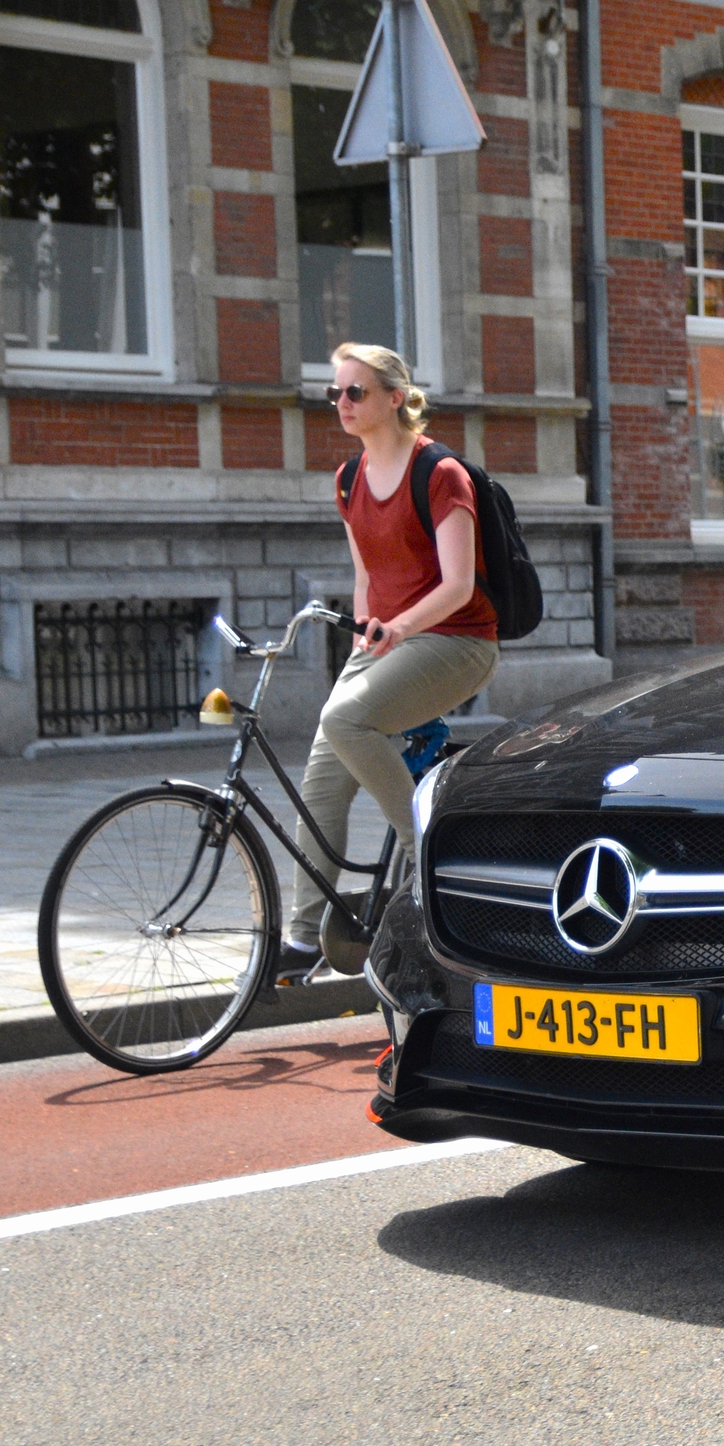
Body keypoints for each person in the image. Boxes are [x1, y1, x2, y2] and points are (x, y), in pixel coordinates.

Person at [276, 343, 501, 984]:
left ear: (394, 399)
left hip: (456, 642)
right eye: (335, 394)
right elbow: (365, 577)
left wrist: (397, 629)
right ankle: (302, 939)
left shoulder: (439, 474)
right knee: (321, 779)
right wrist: (361, 647)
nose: (342, 404)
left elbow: (458, 587)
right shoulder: (348, 479)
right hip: (386, 642)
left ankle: (426, 855)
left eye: (356, 393)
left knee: (347, 723)